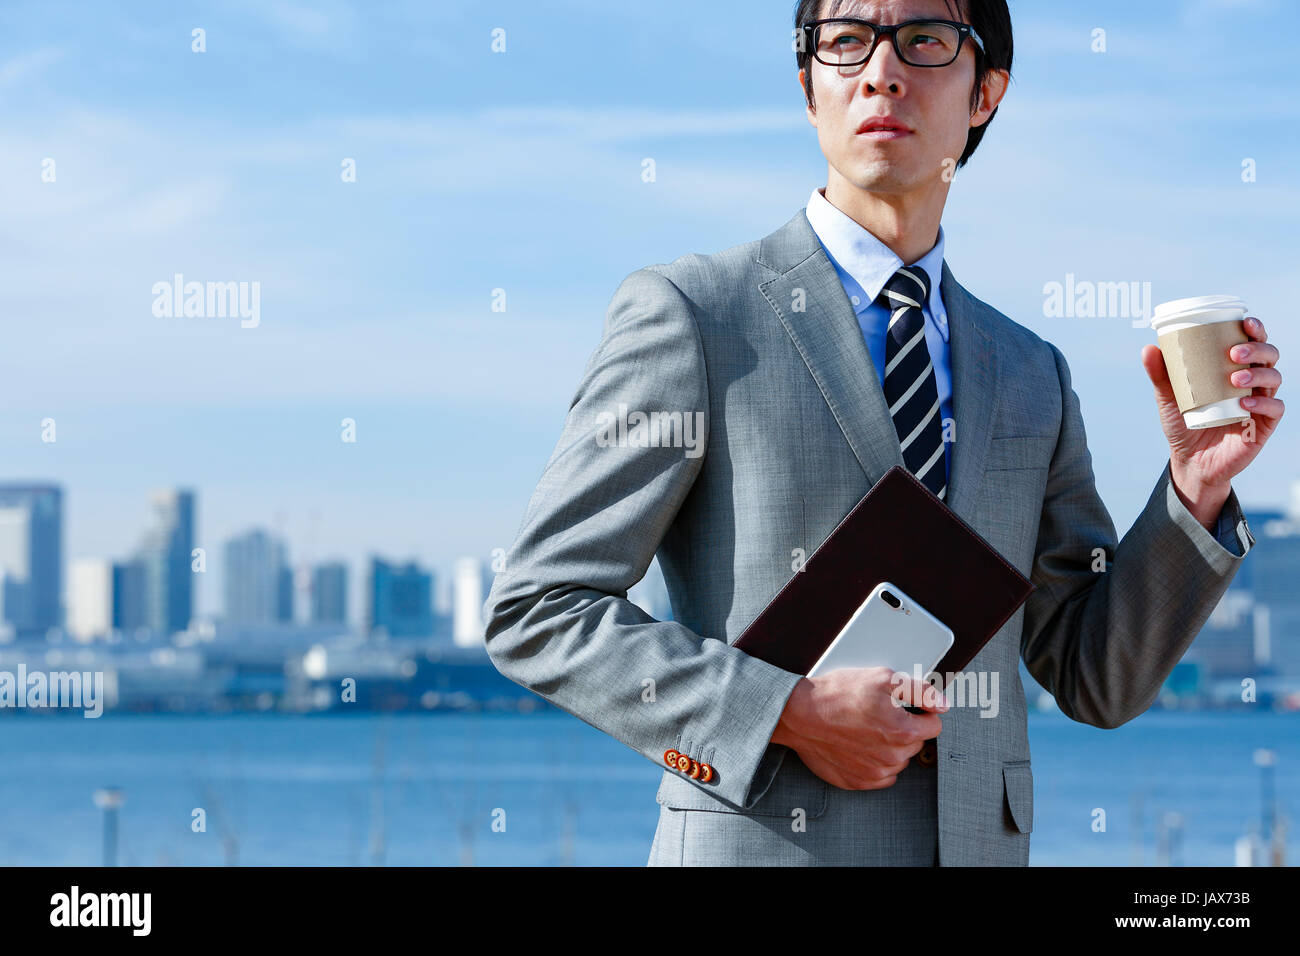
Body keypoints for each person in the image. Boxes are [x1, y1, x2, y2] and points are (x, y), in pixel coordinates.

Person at [482, 0, 1285, 865]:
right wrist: (783, 711)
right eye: (845, 41)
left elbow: (1094, 676)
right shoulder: (694, 317)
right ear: (807, 86)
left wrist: (1196, 491)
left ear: (987, 94)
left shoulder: (1030, 372)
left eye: (926, 40)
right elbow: (539, 609)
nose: (880, 70)